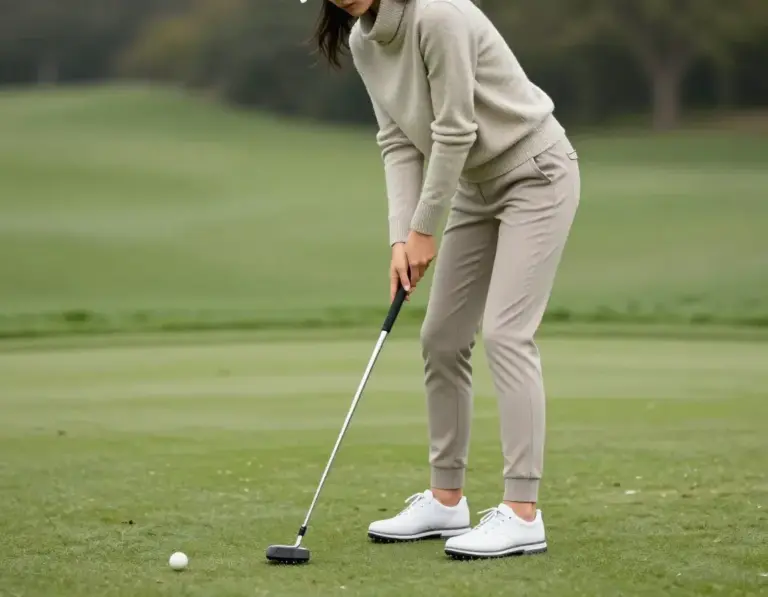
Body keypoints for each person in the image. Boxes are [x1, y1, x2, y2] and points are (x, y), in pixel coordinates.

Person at [312, 0, 581, 560]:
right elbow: (397, 141)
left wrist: (424, 229)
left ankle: (523, 513)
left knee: (507, 334)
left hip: (535, 174)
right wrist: (400, 238)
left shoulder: (438, 16)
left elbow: (455, 128)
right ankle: (446, 497)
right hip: (472, 191)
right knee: (442, 337)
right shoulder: (365, 42)